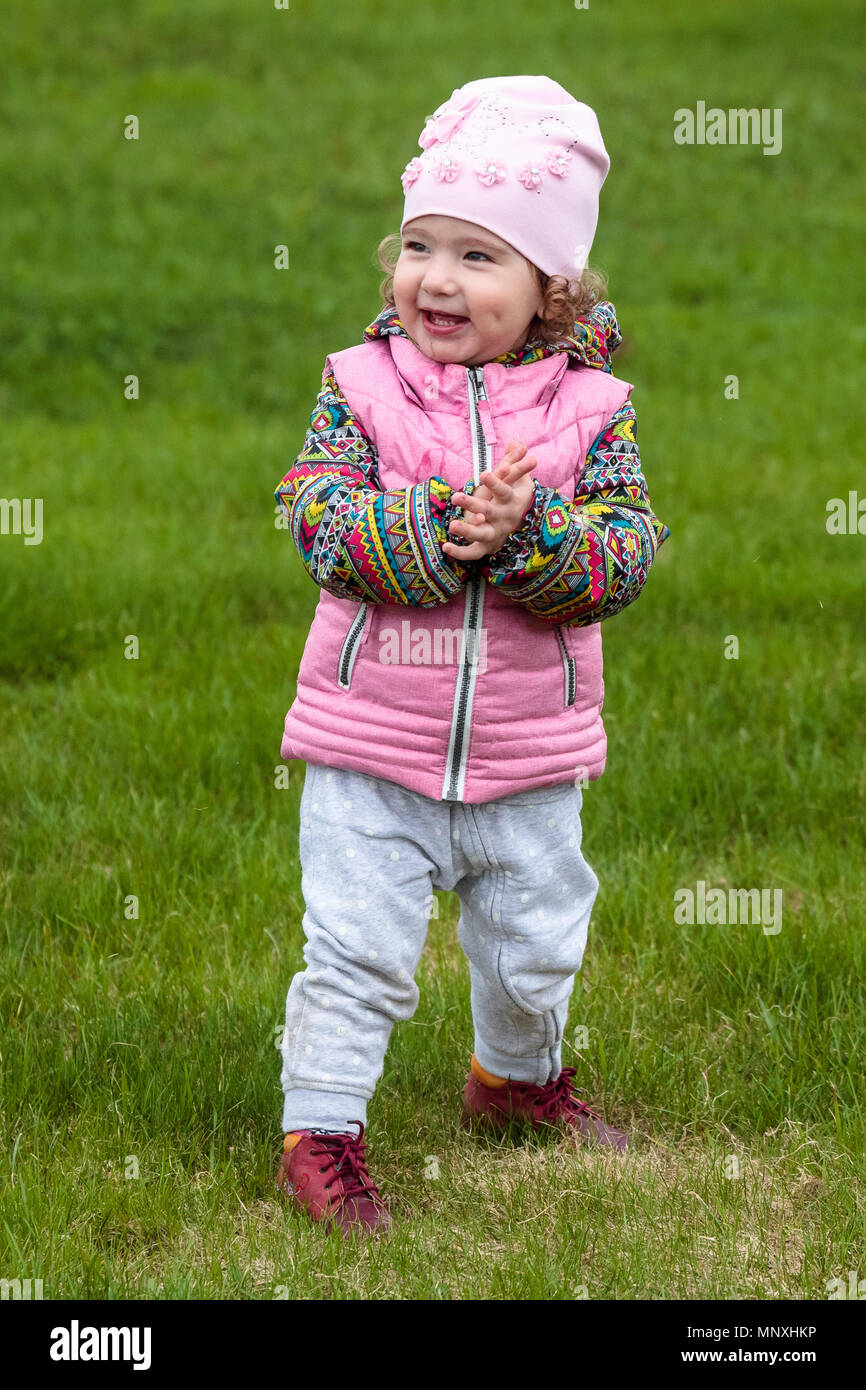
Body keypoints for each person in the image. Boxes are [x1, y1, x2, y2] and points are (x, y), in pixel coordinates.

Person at [272, 75, 670, 1238]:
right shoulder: (360, 388)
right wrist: (440, 532)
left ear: (550, 287)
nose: (434, 279)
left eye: (477, 256)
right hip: (370, 748)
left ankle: (513, 1081)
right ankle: (322, 1130)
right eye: (418, 246)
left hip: (528, 751)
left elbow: (626, 549)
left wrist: (533, 533)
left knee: (535, 943)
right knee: (356, 951)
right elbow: (315, 513)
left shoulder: (593, 409)